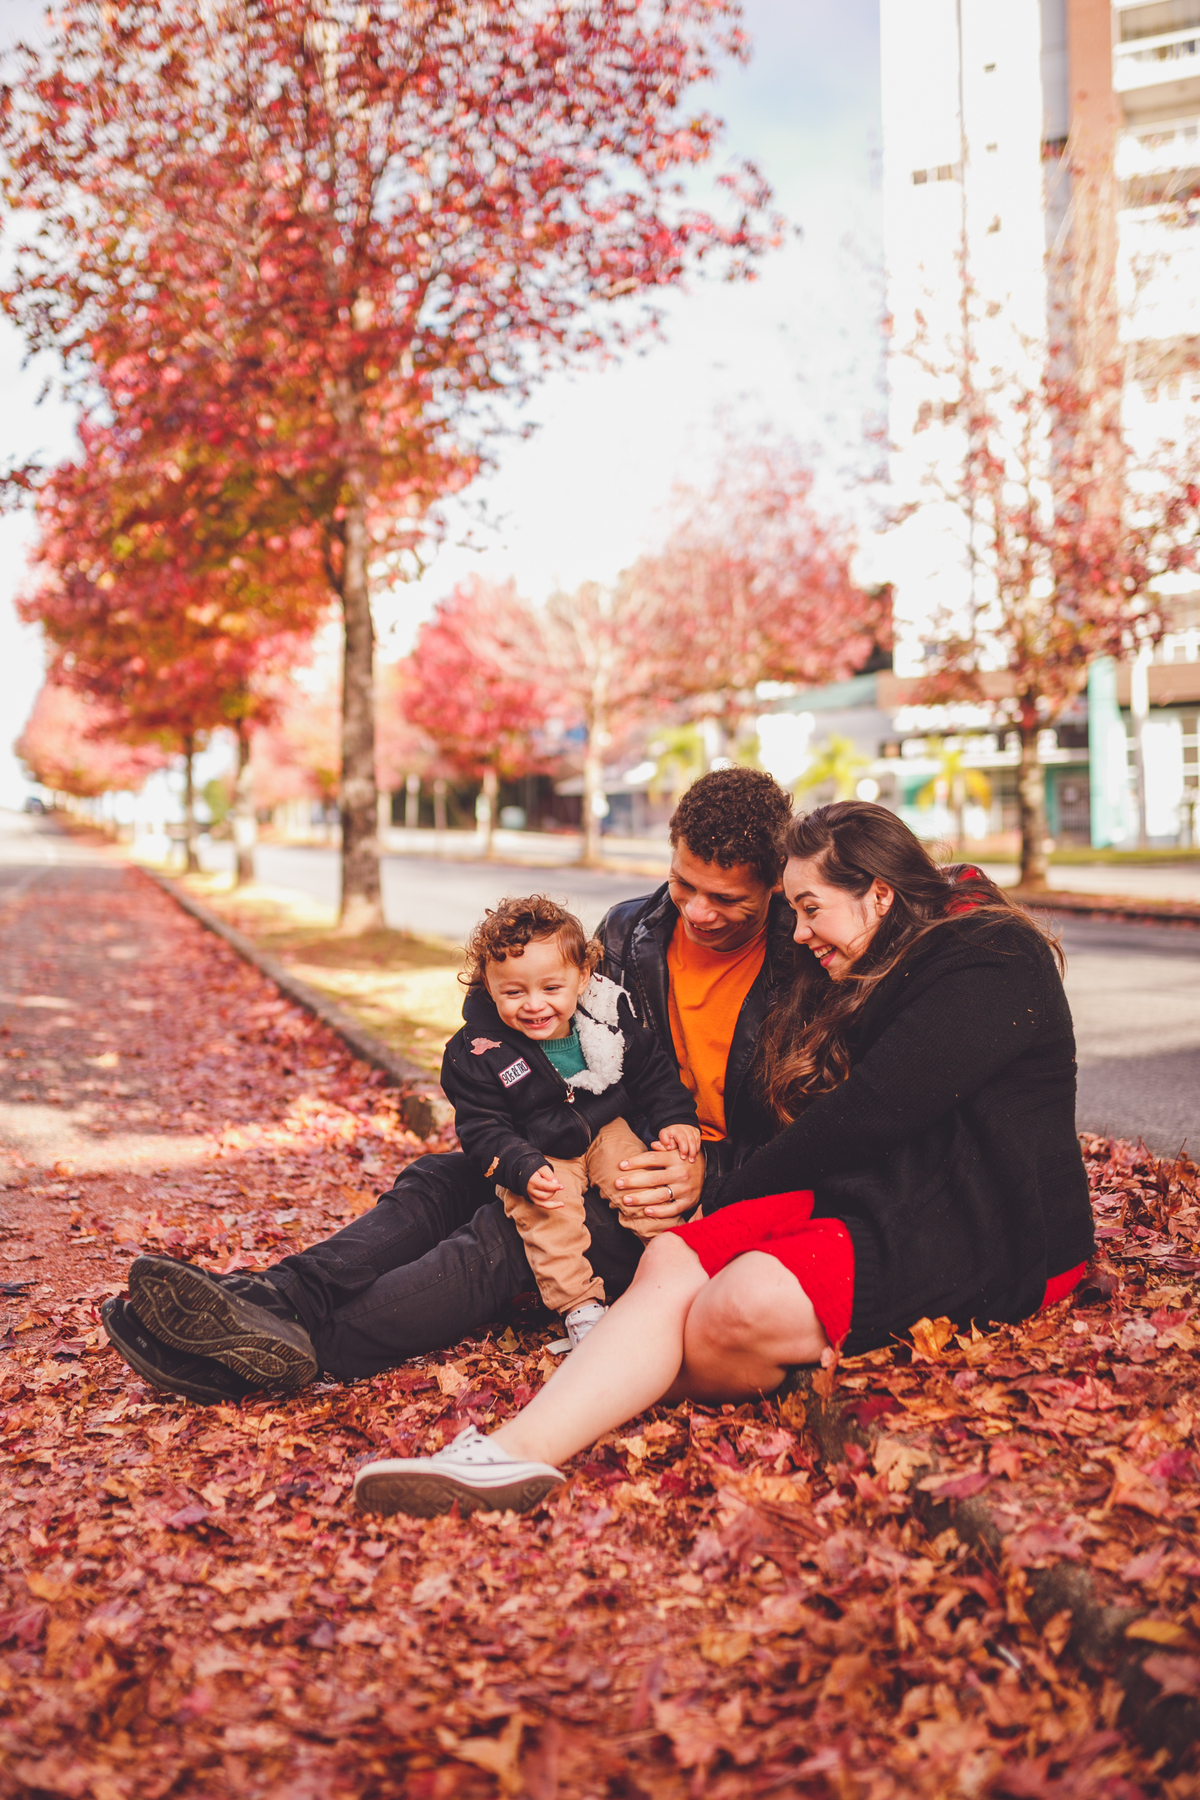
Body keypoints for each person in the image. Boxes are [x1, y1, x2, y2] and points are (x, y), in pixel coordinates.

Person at [350, 800, 1096, 1519]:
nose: (797, 933)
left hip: (983, 1218)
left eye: (810, 908)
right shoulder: (882, 952)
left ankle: (605, 1377)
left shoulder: (988, 956)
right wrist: (707, 1196)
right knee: (672, 1256)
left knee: (726, 1312)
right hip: (877, 1184)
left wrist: (726, 1186)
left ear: (878, 894)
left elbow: (871, 1113)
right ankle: (512, 1453)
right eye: (793, 909)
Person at [100, 768, 798, 1401]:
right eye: (684, 884)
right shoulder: (632, 928)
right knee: (440, 1179)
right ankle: (269, 1297)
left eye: (726, 897)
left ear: (774, 883)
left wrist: (711, 1171)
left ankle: (290, 1352)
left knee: (502, 1236)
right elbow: (511, 1005)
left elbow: (816, 1135)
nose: (697, 912)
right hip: (566, 1134)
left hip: (669, 1189)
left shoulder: (802, 971)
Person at [443, 895, 701, 1350]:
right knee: (549, 1215)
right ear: (488, 983)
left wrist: (675, 1117)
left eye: (551, 988)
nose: (535, 1005)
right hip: (535, 1146)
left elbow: (651, 1070)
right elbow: (482, 1127)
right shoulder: (480, 1051)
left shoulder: (607, 1016)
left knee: (642, 1184)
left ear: (581, 977)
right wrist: (519, 1166)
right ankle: (581, 1308)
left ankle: (687, 1272)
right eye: (514, 992)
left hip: (604, 1127)